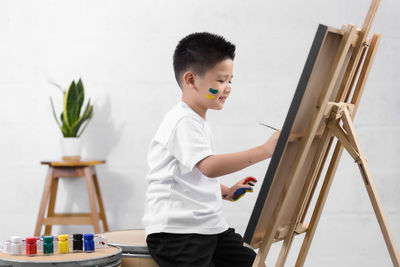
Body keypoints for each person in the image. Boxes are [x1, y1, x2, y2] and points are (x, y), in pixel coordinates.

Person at [142, 32, 280, 267]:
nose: (227, 88)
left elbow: (190, 176)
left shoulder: (197, 120)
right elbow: (208, 167)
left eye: (230, 80)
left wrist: (226, 191)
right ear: (191, 80)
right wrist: (266, 150)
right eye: (220, 80)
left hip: (210, 226)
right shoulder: (182, 121)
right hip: (177, 233)